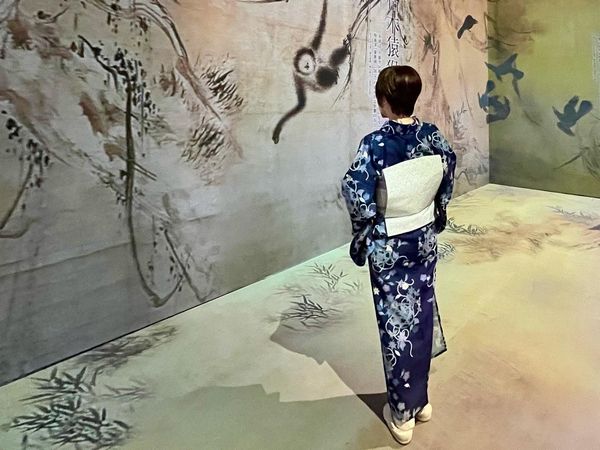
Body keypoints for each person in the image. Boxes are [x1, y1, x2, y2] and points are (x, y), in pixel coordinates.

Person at [340, 65, 456, 445]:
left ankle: (403, 411)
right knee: (419, 315)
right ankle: (421, 401)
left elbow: (356, 191)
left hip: (390, 247)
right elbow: (448, 169)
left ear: (385, 101)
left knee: (396, 325)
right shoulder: (432, 136)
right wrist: (435, 211)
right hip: (422, 241)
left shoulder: (375, 144)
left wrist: (371, 227)